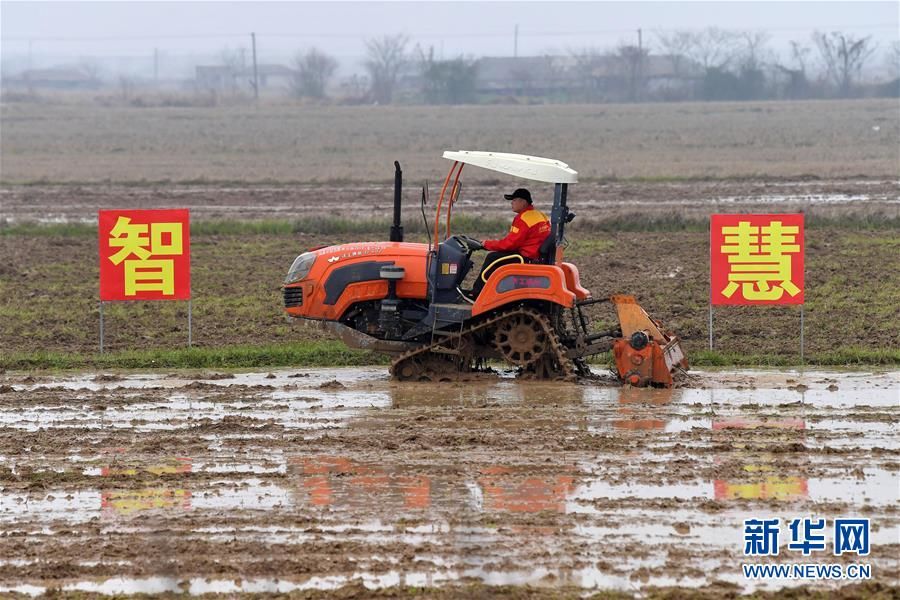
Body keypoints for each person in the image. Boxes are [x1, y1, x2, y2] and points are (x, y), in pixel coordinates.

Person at [470, 187, 551, 297]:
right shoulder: (540, 215)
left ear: (523, 202)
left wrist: (487, 244)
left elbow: (510, 244)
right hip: (536, 256)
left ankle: (477, 293)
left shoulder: (523, 219)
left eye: (514, 200)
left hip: (527, 258)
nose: (511, 203)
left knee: (492, 257)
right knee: (497, 256)